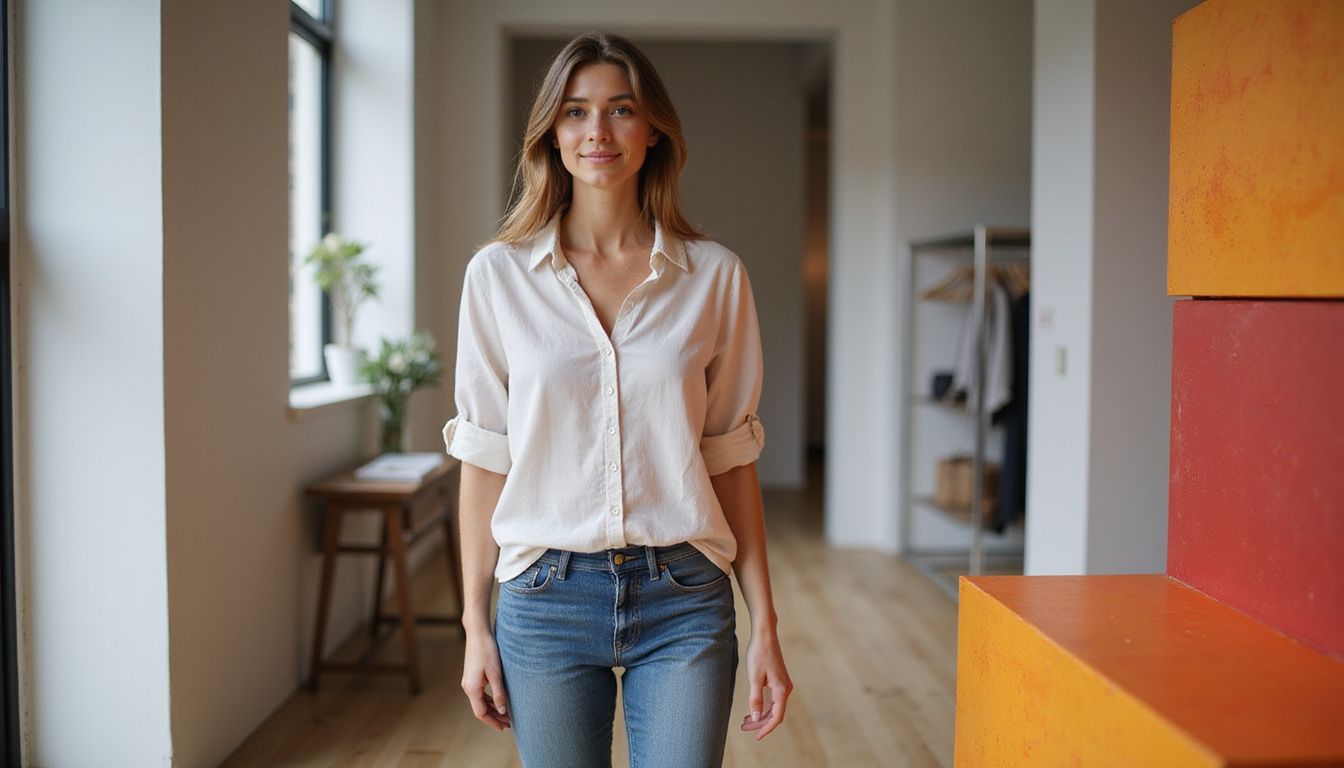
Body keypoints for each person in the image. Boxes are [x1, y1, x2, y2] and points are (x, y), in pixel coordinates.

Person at [442, 31, 792, 768]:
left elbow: (730, 459)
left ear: (654, 129)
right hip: (545, 598)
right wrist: (476, 626)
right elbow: (484, 459)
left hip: (684, 596)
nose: (597, 132)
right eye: (574, 112)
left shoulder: (715, 277)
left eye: (620, 109)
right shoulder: (497, 277)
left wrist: (766, 625)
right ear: (552, 134)